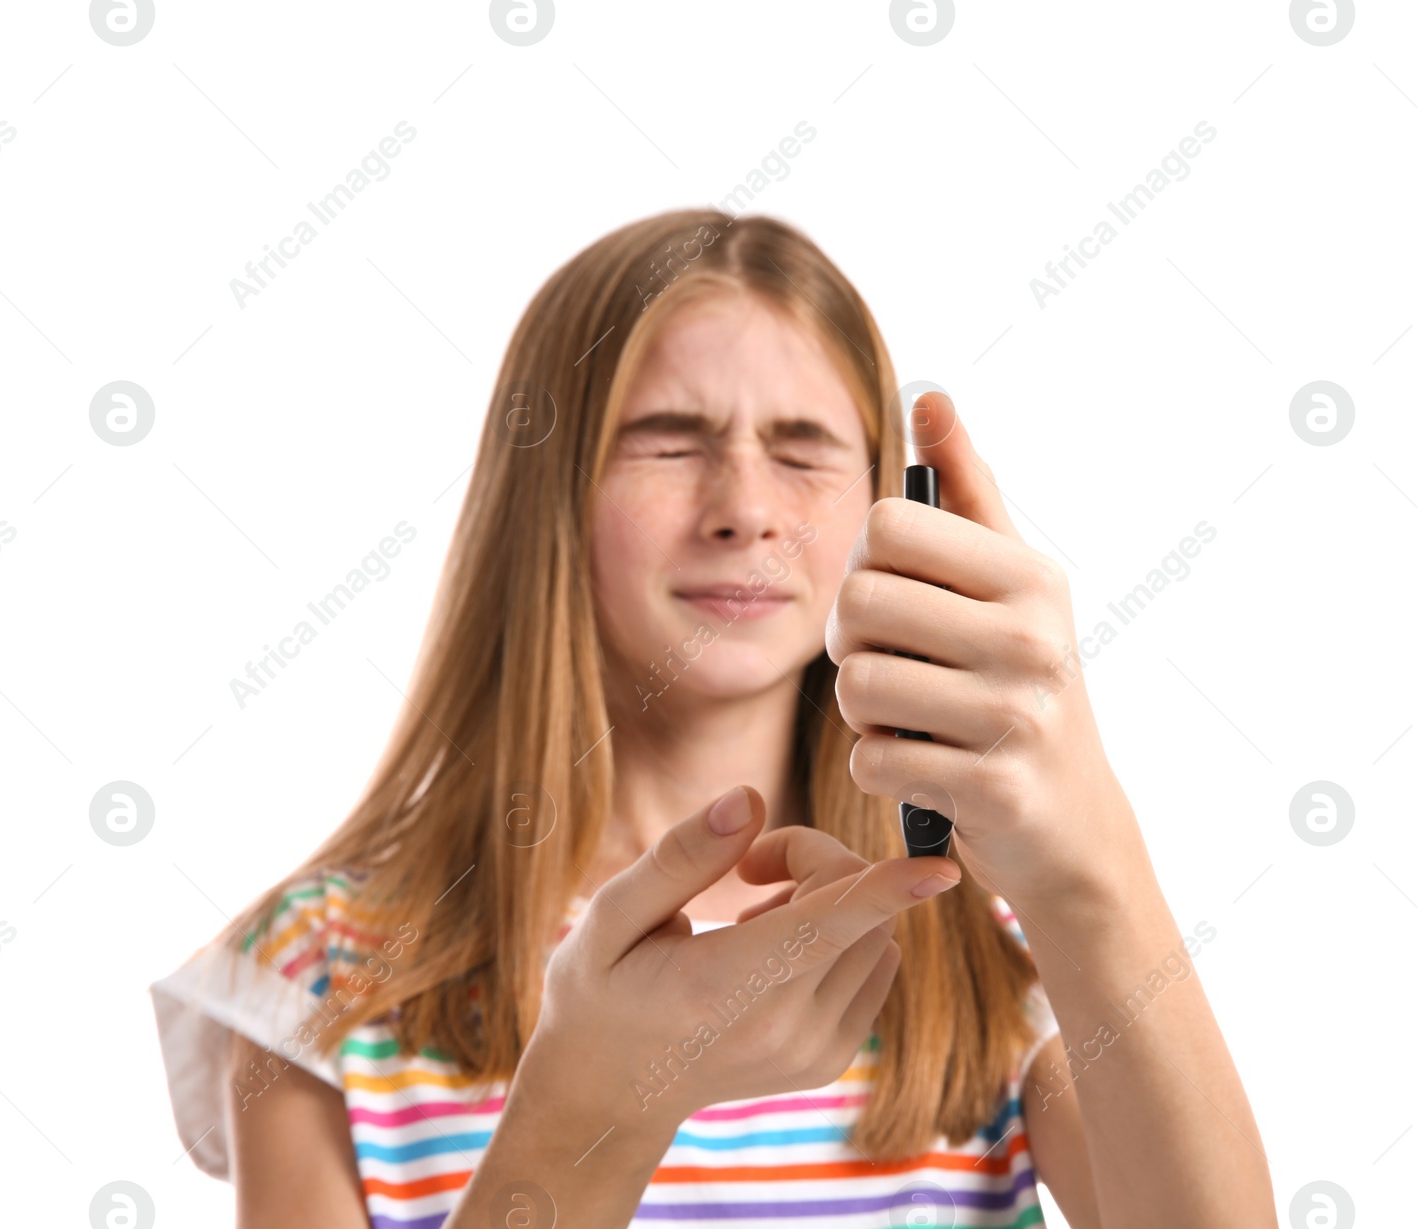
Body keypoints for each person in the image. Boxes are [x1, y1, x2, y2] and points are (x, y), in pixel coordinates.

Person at [150, 208, 1276, 1228]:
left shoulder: (990, 938)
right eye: (670, 439)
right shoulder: (322, 968)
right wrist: (585, 1112)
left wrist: (1092, 867)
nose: (744, 508)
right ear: (545, 493)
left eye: (803, 449)